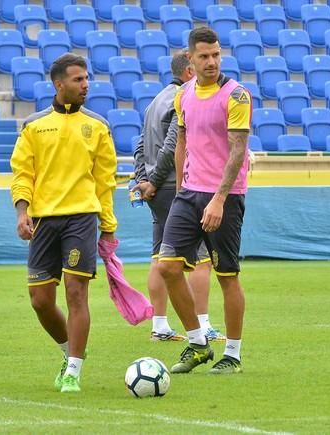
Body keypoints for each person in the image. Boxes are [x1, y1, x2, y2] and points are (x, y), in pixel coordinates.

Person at [10, 53, 117, 393]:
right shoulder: (34, 126)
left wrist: (108, 225)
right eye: (78, 80)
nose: (85, 85)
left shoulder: (98, 126)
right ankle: (70, 351)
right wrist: (22, 212)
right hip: (43, 220)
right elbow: (22, 174)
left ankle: (73, 370)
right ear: (59, 84)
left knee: (75, 293)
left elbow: (105, 180)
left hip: (81, 220)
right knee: (40, 300)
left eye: (86, 79)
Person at [157, 27, 252, 375]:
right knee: (167, 267)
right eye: (204, 56)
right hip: (189, 193)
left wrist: (219, 199)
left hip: (224, 197)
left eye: (216, 55)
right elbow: (182, 138)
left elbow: (238, 149)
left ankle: (234, 354)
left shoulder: (236, 95)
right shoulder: (183, 95)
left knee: (227, 275)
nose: (211, 62)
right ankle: (197, 343)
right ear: (190, 59)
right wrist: (182, 183)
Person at [132, 49, 225, 343]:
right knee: (201, 259)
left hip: (157, 189)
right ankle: (203, 324)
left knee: (160, 255)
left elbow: (140, 146)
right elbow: (174, 143)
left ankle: (159, 324)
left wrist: (143, 180)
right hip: (177, 187)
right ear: (189, 71)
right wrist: (156, 181)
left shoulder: (154, 102)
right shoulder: (183, 97)